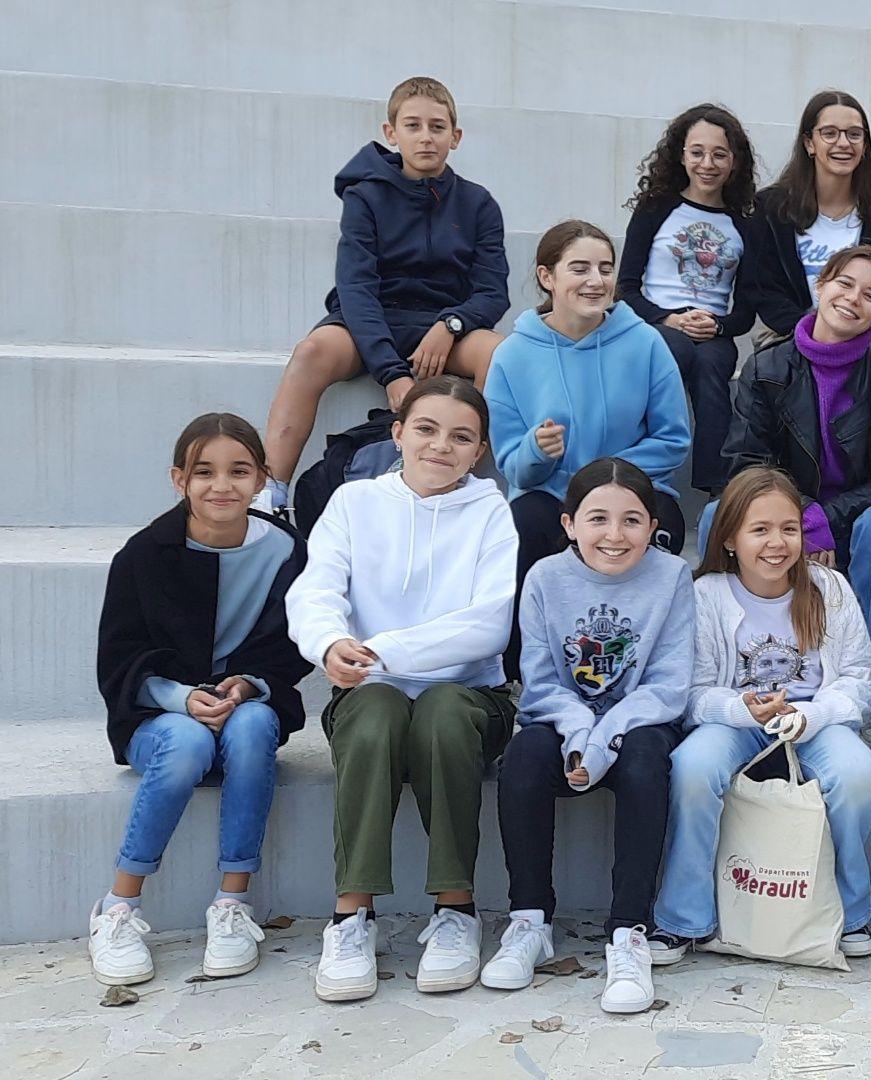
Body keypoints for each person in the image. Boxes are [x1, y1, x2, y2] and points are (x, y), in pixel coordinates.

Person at [285, 377, 518, 1002]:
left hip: (469, 696)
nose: (441, 446)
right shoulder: (354, 503)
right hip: (369, 688)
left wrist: (385, 649)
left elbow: (489, 622)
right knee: (378, 715)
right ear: (398, 434)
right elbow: (315, 590)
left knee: (441, 712)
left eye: (461, 437)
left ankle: (456, 911)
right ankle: (352, 916)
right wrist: (330, 643)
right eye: (426, 429)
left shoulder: (493, 511)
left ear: (480, 451)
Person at [89, 414, 312, 987]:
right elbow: (120, 660)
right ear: (178, 479)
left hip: (243, 709)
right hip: (161, 718)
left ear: (262, 478)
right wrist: (183, 698)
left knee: (255, 723)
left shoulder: (286, 551)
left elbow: (295, 643)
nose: (222, 486)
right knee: (188, 741)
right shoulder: (144, 555)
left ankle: (232, 904)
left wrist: (247, 684)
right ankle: (118, 906)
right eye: (204, 472)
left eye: (239, 471)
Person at [481, 458, 694, 1015]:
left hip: (640, 722)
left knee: (647, 762)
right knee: (524, 757)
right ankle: (529, 919)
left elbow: (670, 684)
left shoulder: (672, 577)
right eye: (598, 519)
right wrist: (580, 733)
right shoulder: (546, 578)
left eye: (632, 520)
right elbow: (542, 683)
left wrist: (604, 742)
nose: (615, 535)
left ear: (653, 526)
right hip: (565, 719)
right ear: (570, 524)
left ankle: (629, 931)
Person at [649, 468, 871, 965]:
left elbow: (861, 678)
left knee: (860, 774)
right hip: (735, 722)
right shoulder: (706, 594)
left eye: (789, 528)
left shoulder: (830, 589)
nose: (777, 543)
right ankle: (683, 918)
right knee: (692, 769)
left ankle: (850, 910)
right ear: (730, 537)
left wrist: (813, 714)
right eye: (760, 530)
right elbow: (689, 691)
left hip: (812, 721)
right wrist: (740, 709)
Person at [256, 77, 508, 515]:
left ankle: (459, 484)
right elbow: (356, 288)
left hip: (443, 324)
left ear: (456, 136)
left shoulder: (478, 203)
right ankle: (271, 490)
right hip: (372, 320)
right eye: (412, 125)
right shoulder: (365, 196)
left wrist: (451, 325)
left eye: (437, 126)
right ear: (391, 133)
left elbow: (492, 291)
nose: (425, 137)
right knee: (312, 351)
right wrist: (392, 373)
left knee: (501, 352)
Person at [486, 219, 691, 676]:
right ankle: (523, 672)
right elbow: (512, 467)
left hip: (636, 490)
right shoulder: (513, 355)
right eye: (579, 268)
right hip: (549, 497)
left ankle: (649, 667)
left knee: (662, 524)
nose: (596, 281)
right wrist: (537, 451)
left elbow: (673, 440)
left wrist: (608, 477)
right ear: (547, 277)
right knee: (526, 524)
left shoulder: (645, 343)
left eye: (605, 268)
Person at [720, 244, 871, 671]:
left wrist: (825, 519)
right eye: (844, 283)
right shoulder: (765, 369)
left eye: (870, 296)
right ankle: (729, 658)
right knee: (716, 520)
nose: (853, 299)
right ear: (821, 286)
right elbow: (748, 462)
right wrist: (798, 517)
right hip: (792, 515)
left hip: (863, 520)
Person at [617, 103, 758, 493]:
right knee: (674, 350)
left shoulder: (744, 222)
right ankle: (635, 471)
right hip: (657, 324)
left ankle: (717, 488)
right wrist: (667, 318)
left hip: (713, 331)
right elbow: (626, 288)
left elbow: (745, 311)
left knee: (713, 364)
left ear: (734, 161)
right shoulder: (656, 208)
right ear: (682, 155)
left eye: (719, 154)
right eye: (697, 152)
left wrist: (718, 325)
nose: (707, 163)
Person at [747, 90, 871, 341]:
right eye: (830, 133)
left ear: (864, 146)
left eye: (854, 134)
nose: (843, 143)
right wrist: (814, 332)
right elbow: (763, 289)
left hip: (861, 340)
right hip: (788, 337)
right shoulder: (771, 210)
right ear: (809, 143)